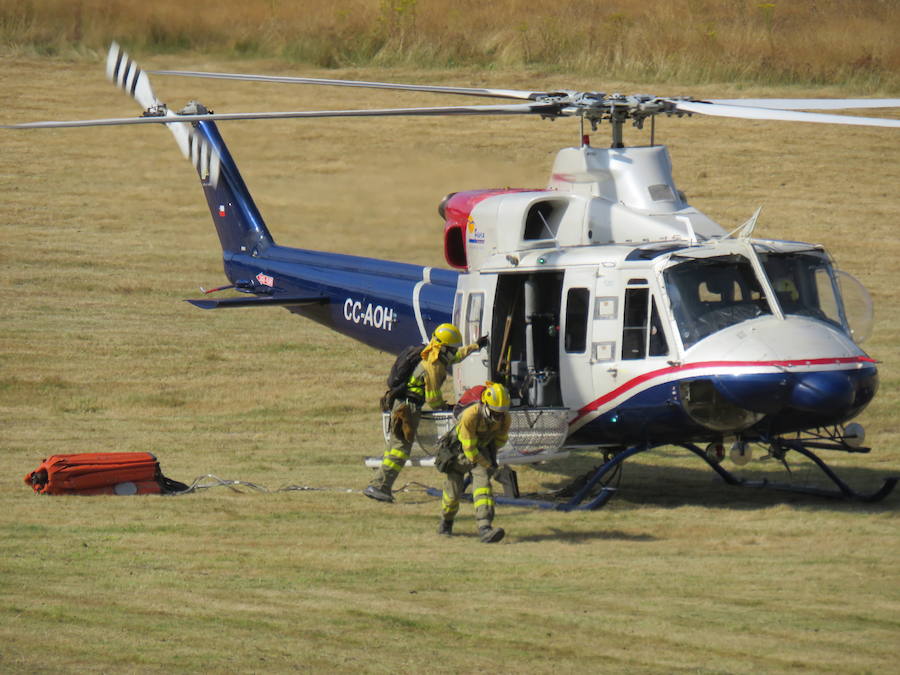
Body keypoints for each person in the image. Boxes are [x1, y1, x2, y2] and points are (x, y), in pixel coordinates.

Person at [364, 323, 487, 503]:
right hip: (408, 409)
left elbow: (456, 356)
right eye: (452, 348)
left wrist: (475, 346)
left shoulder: (431, 353)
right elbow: (433, 397)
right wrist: (444, 407)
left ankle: (379, 484)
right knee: (399, 450)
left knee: (394, 447)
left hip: (403, 405)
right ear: (444, 347)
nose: (454, 351)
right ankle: (379, 487)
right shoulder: (433, 365)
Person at [437, 381, 511, 543]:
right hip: (459, 452)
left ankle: (485, 528)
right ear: (485, 405)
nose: (498, 418)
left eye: (501, 414)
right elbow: (469, 449)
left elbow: (499, 441)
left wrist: (491, 460)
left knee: (483, 488)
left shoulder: (505, 418)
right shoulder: (470, 415)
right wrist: (487, 464)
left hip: (481, 450)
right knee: (452, 495)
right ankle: (446, 522)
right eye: (495, 413)